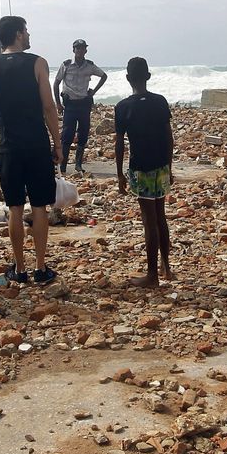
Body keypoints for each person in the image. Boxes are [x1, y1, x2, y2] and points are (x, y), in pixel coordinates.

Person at [0, 16, 63, 283]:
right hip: (36, 144)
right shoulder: (37, 63)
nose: (29, 35)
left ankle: (19, 268)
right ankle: (41, 267)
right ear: (18, 34)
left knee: (14, 207)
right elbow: (49, 106)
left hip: (8, 146)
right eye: (26, 31)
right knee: (40, 206)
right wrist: (58, 142)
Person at [115, 57, 174, 287]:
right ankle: (166, 267)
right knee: (161, 216)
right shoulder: (160, 102)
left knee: (149, 221)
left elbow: (120, 144)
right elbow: (169, 138)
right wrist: (169, 167)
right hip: (160, 166)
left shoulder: (123, 107)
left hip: (141, 168)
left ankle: (152, 276)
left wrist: (119, 173)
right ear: (148, 76)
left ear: (128, 78)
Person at [53, 39, 107, 174]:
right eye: (78, 48)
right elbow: (56, 83)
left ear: (86, 51)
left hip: (84, 104)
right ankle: (63, 166)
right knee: (67, 135)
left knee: (83, 134)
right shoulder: (66, 65)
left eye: (82, 48)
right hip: (70, 104)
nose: (80, 51)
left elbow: (103, 76)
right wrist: (58, 103)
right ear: (73, 50)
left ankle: (78, 164)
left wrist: (94, 91)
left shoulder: (89, 66)